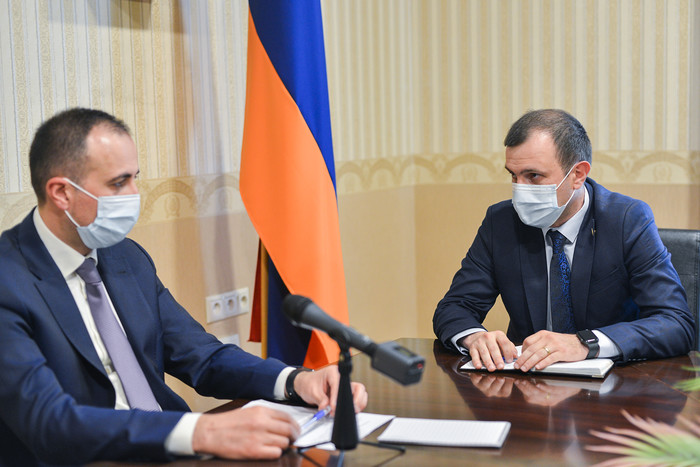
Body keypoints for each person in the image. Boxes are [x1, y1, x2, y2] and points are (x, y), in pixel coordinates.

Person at [0, 108, 367, 465]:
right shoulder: (8, 282)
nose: (134, 195)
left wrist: (295, 381)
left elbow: (202, 357)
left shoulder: (125, 257)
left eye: (135, 178)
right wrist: (200, 431)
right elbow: (49, 421)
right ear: (61, 192)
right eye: (118, 183)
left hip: (168, 452)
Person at [433, 109, 694, 374]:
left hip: (614, 384)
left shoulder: (626, 219)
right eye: (513, 175)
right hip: (527, 380)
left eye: (533, 176)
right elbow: (454, 307)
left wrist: (585, 343)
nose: (520, 189)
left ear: (578, 174)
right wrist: (474, 337)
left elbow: (675, 323)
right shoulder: (501, 222)